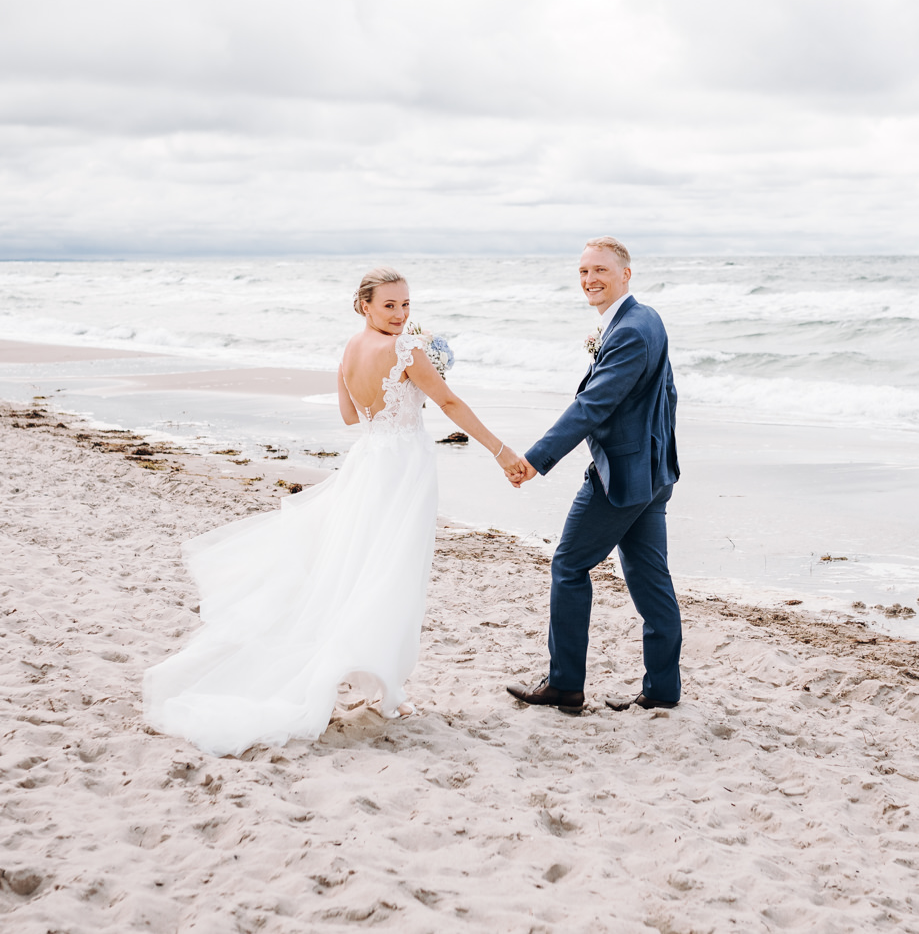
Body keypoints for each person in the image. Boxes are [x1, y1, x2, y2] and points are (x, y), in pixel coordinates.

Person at [144, 267, 526, 755]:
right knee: (390, 573)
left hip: (369, 462)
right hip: (403, 467)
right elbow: (447, 401)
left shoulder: (349, 348)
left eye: (406, 304)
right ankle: (385, 689)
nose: (401, 313)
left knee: (358, 568)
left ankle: (376, 684)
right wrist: (501, 451)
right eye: (390, 305)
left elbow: (350, 416)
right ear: (364, 304)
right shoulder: (405, 350)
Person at [505, 237, 682, 713]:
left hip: (622, 478)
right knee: (650, 580)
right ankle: (663, 689)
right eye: (583, 272)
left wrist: (536, 459)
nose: (590, 280)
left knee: (569, 566)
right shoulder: (645, 319)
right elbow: (665, 395)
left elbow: (593, 404)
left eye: (600, 270)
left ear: (626, 274)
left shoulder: (628, 331)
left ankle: (564, 684)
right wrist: (658, 454)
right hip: (651, 473)